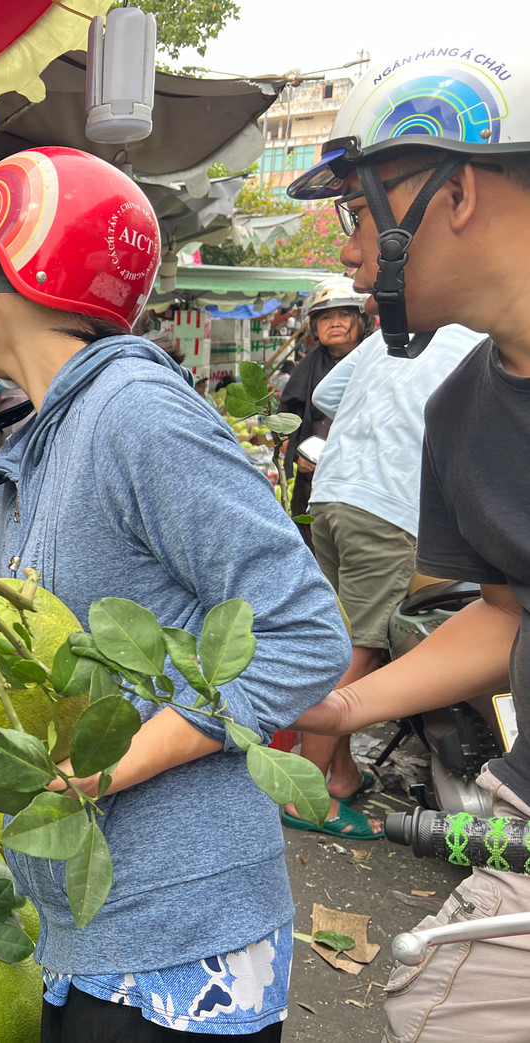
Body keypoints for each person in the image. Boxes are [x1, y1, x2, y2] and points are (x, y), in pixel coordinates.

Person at [0, 147, 349, 1040]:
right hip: (86, 924)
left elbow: (304, 633)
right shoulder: (44, 442)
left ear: (10, 273)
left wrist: (101, 772)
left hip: (178, 933)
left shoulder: (136, 414)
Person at [286, 47, 530, 1043]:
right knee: (434, 1010)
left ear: (456, 188)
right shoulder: (465, 409)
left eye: (355, 212)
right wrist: (336, 705)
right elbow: (508, 616)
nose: (347, 253)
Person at [279, 323, 482, 842]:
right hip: (388, 506)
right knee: (360, 652)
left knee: (333, 645)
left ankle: (340, 775)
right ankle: (309, 799)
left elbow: (326, 393)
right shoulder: (486, 343)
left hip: (331, 496)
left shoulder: (397, 330)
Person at [277, 278, 371, 545]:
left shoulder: (378, 359)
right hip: (315, 484)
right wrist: (297, 456)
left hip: (367, 482)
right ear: (315, 326)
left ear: (362, 320)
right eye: (326, 316)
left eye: (344, 314)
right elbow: (283, 429)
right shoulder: (303, 371)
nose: (335, 322)